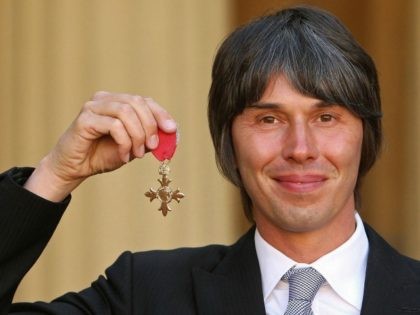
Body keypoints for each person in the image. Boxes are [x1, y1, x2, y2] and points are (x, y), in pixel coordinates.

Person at [1, 5, 419, 315]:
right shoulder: (145, 293)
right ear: (227, 139)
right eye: (268, 118)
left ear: (366, 135)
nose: (300, 147)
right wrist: (55, 174)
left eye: (326, 117)